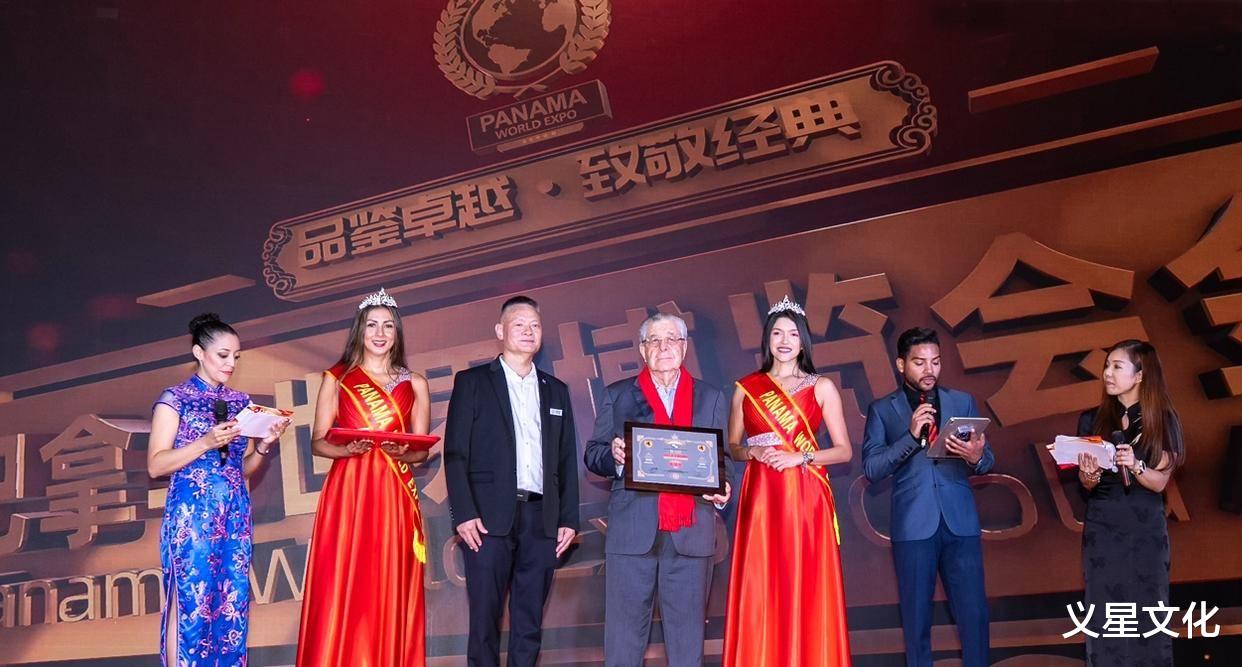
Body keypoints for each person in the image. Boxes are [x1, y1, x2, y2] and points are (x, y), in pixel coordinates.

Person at [583, 313, 732, 667]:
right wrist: (614, 457)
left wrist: (724, 486)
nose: (663, 347)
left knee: (687, 643)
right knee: (623, 642)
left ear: (684, 347)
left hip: (691, 533)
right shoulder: (617, 394)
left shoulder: (710, 397)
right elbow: (593, 453)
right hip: (633, 531)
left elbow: (722, 457)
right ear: (642, 349)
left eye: (672, 339)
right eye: (654, 340)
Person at [296, 288, 433, 666]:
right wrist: (347, 450)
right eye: (372, 325)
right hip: (349, 490)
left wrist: (406, 453)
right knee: (345, 577)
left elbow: (421, 450)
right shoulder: (338, 378)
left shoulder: (415, 382)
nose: (380, 333)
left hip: (393, 491)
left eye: (388, 326)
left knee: (388, 578)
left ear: (397, 332)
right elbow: (318, 442)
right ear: (360, 330)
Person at [444, 295, 580, 667]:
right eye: (519, 324)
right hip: (487, 520)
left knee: (529, 622)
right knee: (484, 621)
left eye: (535, 325)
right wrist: (464, 513)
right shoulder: (472, 382)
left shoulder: (556, 389)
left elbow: (566, 458)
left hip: (541, 519)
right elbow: (455, 453)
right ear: (500, 331)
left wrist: (568, 518)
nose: (528, 331)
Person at [148, 312, 289, 666]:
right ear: (199, 353)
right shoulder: (175, 399)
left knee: (230, 605)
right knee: (190, 604)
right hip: (192, 515)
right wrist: (205, 443)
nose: (230, 364)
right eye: (223, 355)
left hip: (234, 515)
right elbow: (156, 465)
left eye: (235, 357)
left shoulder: (241, 403)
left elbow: (243, 471)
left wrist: (263, 446)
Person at [723, 296, 853, 666]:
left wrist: (801, 457)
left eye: (793, 334)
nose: (784, 341)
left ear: (803, 341)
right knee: (762, 579)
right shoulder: (746, 388)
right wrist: (753, 451)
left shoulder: (821, 386)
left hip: (804, 495)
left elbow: (844, 451)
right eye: (777, 333)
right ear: (767, 339)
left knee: (804, 580)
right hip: (761, 495)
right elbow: (733, 447)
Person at [862, 327, 994, 667]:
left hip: (960, 522)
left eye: (935, 362)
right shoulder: (883, 409)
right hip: (914, 526)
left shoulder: (961, 401)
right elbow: (873, 468)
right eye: (919, 362)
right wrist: (910, 436)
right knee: (917, 620)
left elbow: (986, 459)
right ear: (901, 364)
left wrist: (976, 456)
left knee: (975, 617)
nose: (929, 370)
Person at [1074, 339, 1184, 666]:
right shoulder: (1092, 420)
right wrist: (1089, 476)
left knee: (1148, 613)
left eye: (1116, 366)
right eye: (1106, 366)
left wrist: (1136, 465)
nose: (1107, 373)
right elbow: (1086, 485)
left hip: (1144, 529)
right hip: (1102, 527)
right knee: (1104, 614)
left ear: (1140, 375)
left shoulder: (1163, 420)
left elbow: (1160, 481)